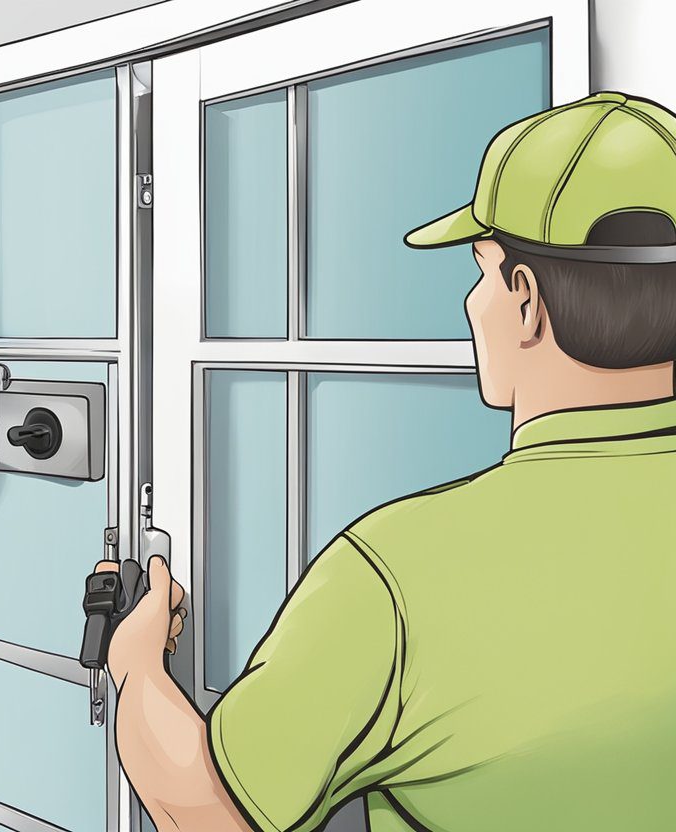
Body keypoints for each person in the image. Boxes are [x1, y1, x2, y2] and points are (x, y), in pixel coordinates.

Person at [99, 91, 676, 831]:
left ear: (527, 300)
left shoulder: (398, 574)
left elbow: (209, 811)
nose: (473, 303)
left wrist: (137, 666)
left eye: (482, 270)